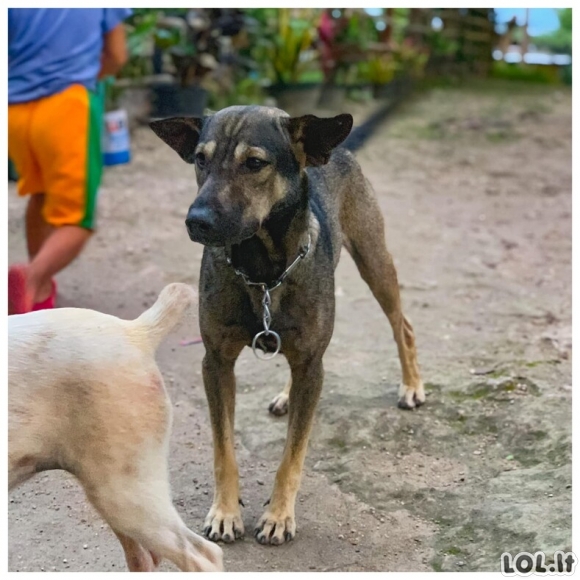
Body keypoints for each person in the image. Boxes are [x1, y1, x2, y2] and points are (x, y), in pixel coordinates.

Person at [8, 8, 132, 314]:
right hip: (67, 106)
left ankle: (39, 296)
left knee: (41, 193)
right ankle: (33, 278)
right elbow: (116, 55)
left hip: (15, 111)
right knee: (77, 221)